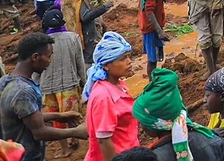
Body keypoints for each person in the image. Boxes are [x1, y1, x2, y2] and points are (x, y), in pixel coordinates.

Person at [0, 33, 87, 160]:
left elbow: (23, 117)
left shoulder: (6, 81)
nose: (50, 61)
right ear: (35, 57)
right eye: (48, 56)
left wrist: (59, 116)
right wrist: (76, 132)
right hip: (26, 157)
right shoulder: (23, 91)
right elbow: (40, 132)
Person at [132, 68, 224, 161]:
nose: (141, 128)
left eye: (142, 122)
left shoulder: (155, 157)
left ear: (157, 125)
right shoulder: (211, 138)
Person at [83, 32, 140, 161]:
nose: (129, 62)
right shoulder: (103, 96)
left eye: (128, 57)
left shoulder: (120, 85)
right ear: (106, 65)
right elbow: (104, 140)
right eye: (122, 59)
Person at [39, 9, 86, 159]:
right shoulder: (73, 38)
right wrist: (84, 82)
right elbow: (80, 63)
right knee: (72, 116)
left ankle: (65, 149)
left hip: (47, 86)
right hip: (69, 84)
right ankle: (75, 138)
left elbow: (35, 70)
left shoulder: (41, 42)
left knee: (55, 120)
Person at [63, 0, 112, 65]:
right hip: (86, 34)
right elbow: (85, 17)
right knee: (90, 60)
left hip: (80, 33)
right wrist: (103, 8)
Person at [137, 0, 168, 79]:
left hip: (152, 27)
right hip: (151, 28)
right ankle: (151, 83)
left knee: (153, 57)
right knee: (152, 58)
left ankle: (152, 81)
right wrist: (159, 31)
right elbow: (149, 12)